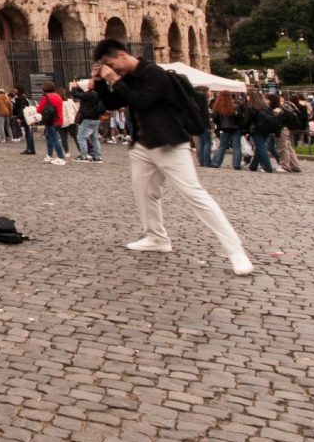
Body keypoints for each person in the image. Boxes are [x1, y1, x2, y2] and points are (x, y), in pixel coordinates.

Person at [93, 38, 254, 276]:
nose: (111, 69)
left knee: (194, 194)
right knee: (144, 193)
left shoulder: (154, 73)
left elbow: (143, 101)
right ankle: (156, 238)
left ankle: (236, 251)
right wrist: (99, 83)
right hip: (142, 145)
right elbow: (113, 102)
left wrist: (115, 80)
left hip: (169, 143)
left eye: (110, 63)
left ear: (122, 55)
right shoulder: (128, 78)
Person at [205, 92, 245, 169]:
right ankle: (236, 164)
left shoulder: (217, 107)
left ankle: (216, 163)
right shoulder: (235, 106)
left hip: (223, 128)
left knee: (222, 146)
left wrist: (220, 125)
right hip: (236, 128)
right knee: (236, 146)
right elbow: (240, 118)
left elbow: (215, 119)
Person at [73, 83, 105, 162]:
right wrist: (79, 88)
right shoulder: (98, 95)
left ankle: (84, 156)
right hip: (96, 119)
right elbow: (82, 94)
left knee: (81, 137)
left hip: (88, 119)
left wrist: (73, 87)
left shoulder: (90, 95)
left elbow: (75, 95)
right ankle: (98, 156)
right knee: (94, 138)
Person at [39, 82, 68, 163]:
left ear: (44, 89)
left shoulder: (46, 97)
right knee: (49, 137)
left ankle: (61, 158)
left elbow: (39, 109)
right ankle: (49, 155)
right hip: (59, 120)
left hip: (51, 121)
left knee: (55, 139)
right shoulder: (58, 96)